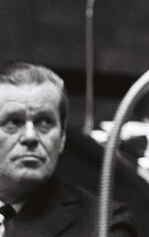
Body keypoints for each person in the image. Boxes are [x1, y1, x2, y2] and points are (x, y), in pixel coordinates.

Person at [0, 61, 135, 237]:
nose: (31, 136)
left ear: (62, 137)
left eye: (45, 122)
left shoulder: (105, 223)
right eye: (13, 122)